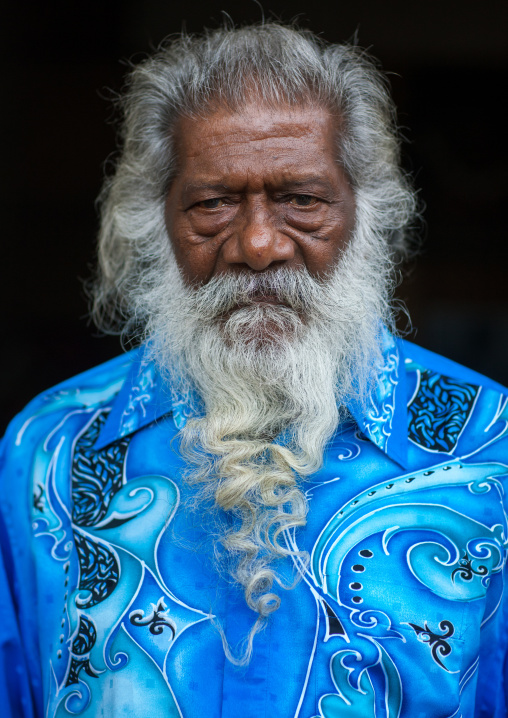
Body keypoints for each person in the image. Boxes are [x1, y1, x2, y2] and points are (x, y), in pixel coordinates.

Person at [1, 22, 507, 718]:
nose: (259, 244)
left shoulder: (494, 449)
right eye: (213, 204)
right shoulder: (47, 455)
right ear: (157, 220)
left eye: (302, 199)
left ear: (365, 211)